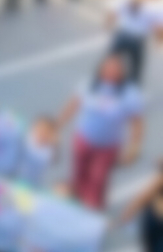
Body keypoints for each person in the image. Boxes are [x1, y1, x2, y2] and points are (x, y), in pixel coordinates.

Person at [58, 54, 143, 209]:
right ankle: (75, 205)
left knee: (98, 179)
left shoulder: (129, 94)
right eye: (107, 67)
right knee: (78, 174)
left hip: (107, 146)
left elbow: (137, 123)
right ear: (101, 69)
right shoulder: (89, 84)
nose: (111, 71)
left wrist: (134, 148)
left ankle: (93, 211)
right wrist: (57, 126)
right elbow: (73, 104)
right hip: (83, 138)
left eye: (115, 68)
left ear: (122, 72)